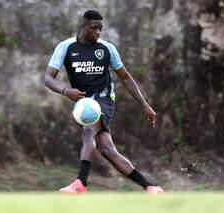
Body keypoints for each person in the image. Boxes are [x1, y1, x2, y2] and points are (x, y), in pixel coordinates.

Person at [44, 9, 164, 194]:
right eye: (94, 28)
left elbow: (125, 77)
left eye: (101, 28)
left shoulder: (107, 48)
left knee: (89, 130)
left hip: (104, 99)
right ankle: (150, 186)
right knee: (107, 150)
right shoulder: (66, 47)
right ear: (83, 26)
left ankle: (80, 183)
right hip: (82, 103)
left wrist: (145, 105)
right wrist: (66, 91)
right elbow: (48, 78)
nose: (98, 32)